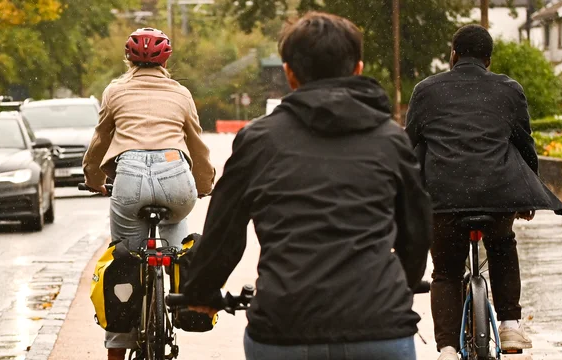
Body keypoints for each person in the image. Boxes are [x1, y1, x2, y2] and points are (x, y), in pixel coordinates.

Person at [180, 12, 431, 360]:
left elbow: (224, 229)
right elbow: (416, 232)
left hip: (283, 329)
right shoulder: (391, 140)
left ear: (289, 74)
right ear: (357, 69)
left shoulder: (258, 140)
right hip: (378, 329)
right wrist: (398, 285)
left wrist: (202, 292)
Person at [404, 25, 562, 359]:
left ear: (453, 55)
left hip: (444, 199)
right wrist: (526, 196)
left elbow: (409, 145)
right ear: (488, 60)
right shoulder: (508, 90)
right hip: (497, 194)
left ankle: (448, 349)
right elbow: (524, 145)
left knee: (446, 271)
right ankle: (509, 324)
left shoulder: (426, 90)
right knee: (502, 244)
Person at [81, 27, 215, 360]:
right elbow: (196, 144)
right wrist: (204, 183)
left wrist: (94, 176)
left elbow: (100, 139)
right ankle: (181, 300)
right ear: (167, 60)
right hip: (175, 176)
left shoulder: (115, 91)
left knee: (124, 262)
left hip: (129, 177)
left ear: (128, 58)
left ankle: (117, 348)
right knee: (176, 250)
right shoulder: (180, 93)